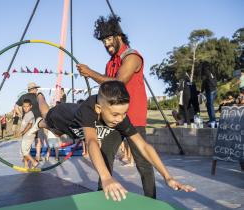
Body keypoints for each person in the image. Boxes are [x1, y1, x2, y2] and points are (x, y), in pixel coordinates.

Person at [30, 80, 195, 201]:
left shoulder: (119, 117)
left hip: (76, 132)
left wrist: (168, 177)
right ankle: (39, 95)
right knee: (46, 116)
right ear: (99, 109)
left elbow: (144, 146)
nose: (120, 119)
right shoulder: (89, 109)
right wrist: (106, 177)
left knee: (59, 132)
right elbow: (92, 142)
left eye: (124, 113)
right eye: (115, 115)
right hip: (62, 119)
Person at [76, 15, 156, 198]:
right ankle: (101, 195)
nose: (106, 44)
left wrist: (90, 73)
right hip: (113, 119)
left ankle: (152, 200)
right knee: (105, 156)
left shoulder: (133, 56)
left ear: (119, 36)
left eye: (109, 38)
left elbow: (119, 82)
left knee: (143, 164)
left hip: (133, 118)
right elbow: (107, 90)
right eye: (104, 40)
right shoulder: (110, 62)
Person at [15, 82, 43, 161]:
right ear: (33, 89)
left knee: (26, 139)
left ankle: (26, 156)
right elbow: (43, 108)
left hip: (27, 120)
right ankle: (38, 156)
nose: (37, 90)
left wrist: (21, 115)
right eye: (36, 88)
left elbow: (16, 107)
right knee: (37, 138)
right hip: (38, 121)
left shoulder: (23, 96)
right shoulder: (38, 97)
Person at [18, 99, 39, 169]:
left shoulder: (30, 114)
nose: (25, 108)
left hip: (28, 135)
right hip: (26, 135)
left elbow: (29, 125)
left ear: (31, 106)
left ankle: (34, 162)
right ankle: (26, 166)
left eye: (27, 106)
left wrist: (22, 132)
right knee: (25, 151)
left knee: (24, 151)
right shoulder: (26, 114)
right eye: (24, 106)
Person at [201, 61, 217, 128]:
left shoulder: (205, 71)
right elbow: (215, 80)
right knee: (209, 105)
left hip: (210, 90)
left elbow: (204, 82)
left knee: (210, 106)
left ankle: (213, 120)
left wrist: (201, 90)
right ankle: (212, 119)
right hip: (214, 90)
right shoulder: (211, 71)